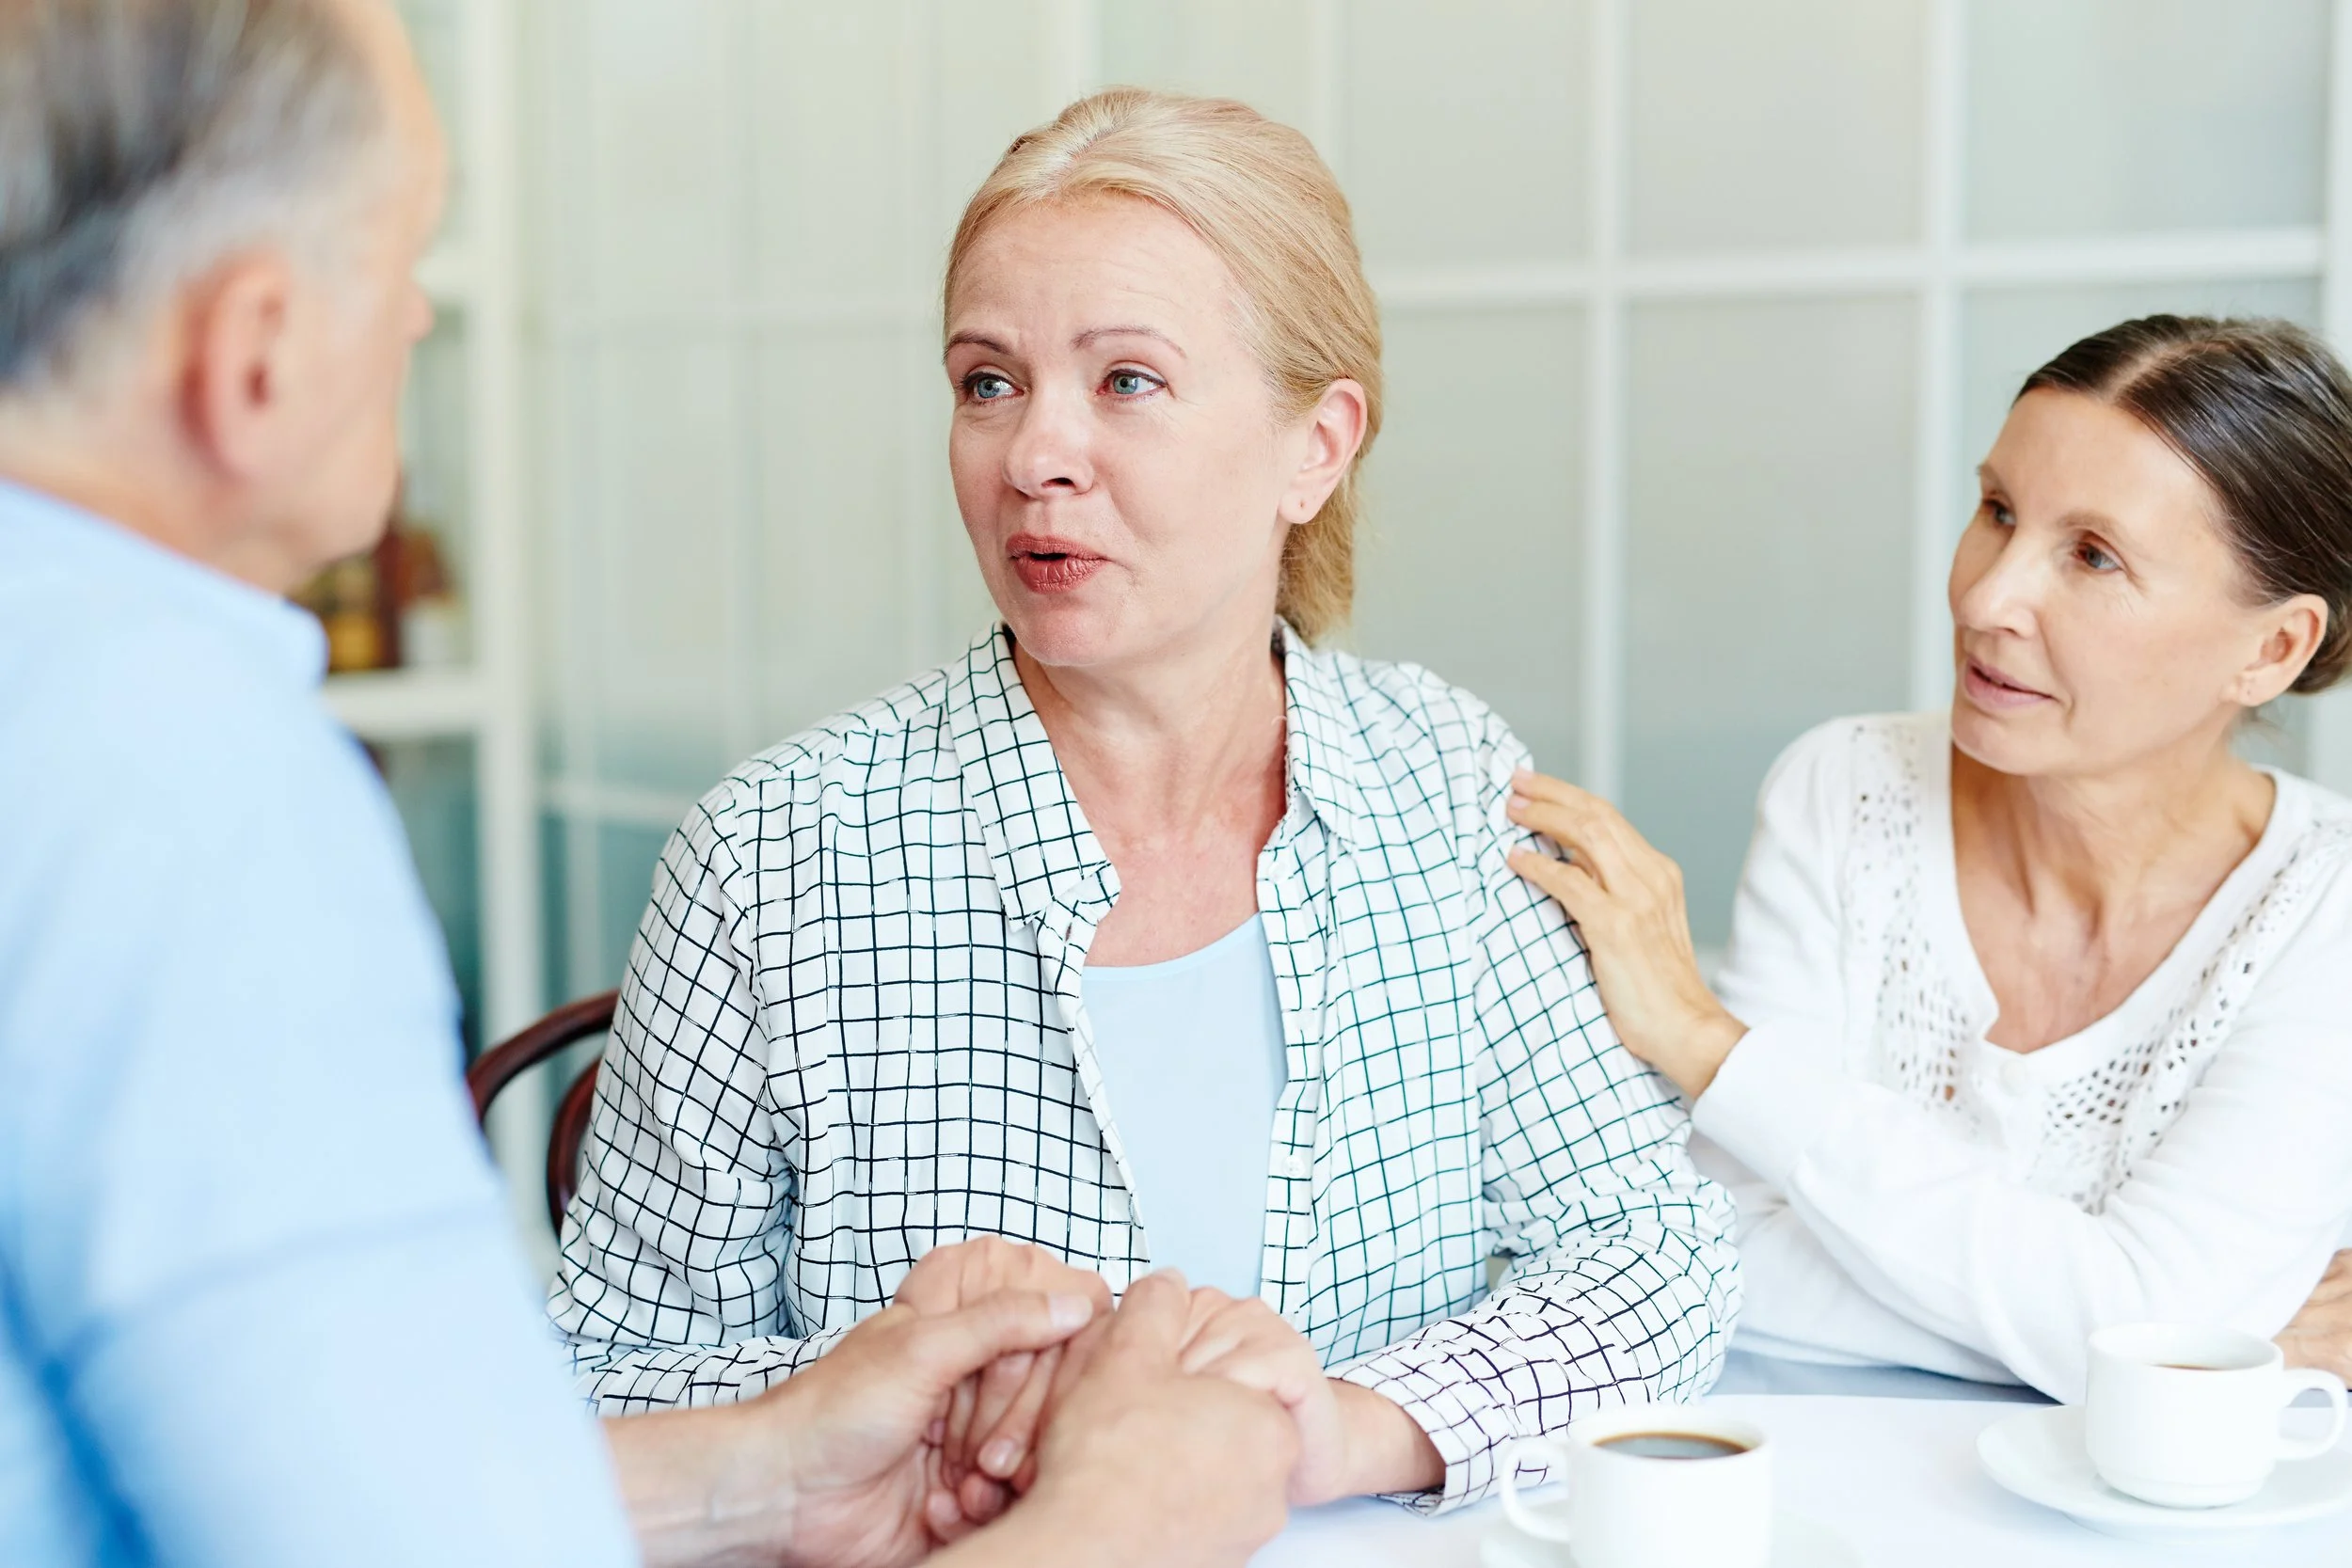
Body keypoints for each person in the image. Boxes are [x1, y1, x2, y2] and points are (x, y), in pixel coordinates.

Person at [0, 4, 1296, 1565]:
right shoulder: (181, 787)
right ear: (256, 350)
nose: (418, 320)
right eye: (401, 258)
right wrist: (1133, 1517)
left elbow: (383, 1484)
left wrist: (762, 1466)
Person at [550, 86, 1738, 1520]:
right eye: (988, 381)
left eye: (1126, 381)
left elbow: (1653, 1250)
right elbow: (606, 1364)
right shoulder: (773, 857)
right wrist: (879, 1398)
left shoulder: (1442, 780)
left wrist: (1343, 1431)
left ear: (1318, 445)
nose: (1035, 456)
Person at [1507, 314, 2352, 1403]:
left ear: (2270, 647)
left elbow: (2147, 1322)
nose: (1985, 597)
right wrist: (2211, 1348)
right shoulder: (1845, 791)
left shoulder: (2326, 907)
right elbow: (1707, 1256)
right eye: (1997, 509)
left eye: (2092, 555)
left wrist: (1716, 1053)